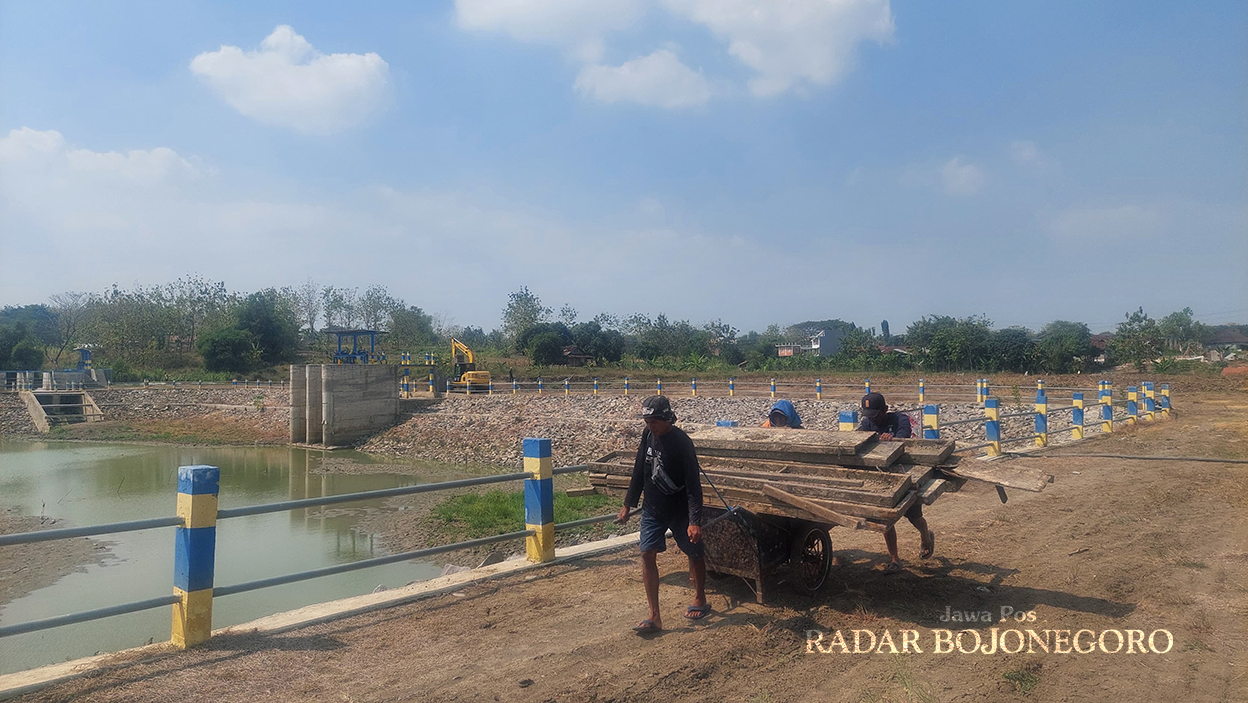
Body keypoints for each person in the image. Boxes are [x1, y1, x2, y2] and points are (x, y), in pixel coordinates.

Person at [615, 395, 708, 632]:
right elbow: (639, 470)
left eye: (654, 422)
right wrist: (628, 504)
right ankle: (654, 616)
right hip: (653, 506)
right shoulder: (647, 436)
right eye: (647, 421)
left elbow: (693, 485)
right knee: (646, 553)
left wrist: (694, 521)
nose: (650, 426)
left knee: (694, 551)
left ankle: (700, 596)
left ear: (667, 419)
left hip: (679, 507)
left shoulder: (682, 442)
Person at [858, 392, 935, 572]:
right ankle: (895, 560)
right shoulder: (867, 424)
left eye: (875, 415)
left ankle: (926, 536)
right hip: (881, 477)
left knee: (915, 517)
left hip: (904, 474)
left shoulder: (900, 420)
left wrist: (890, 440)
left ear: (885, 410)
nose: (872, 420)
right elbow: (860, 439)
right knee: (885, 519)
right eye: (868, 415)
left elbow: (904, 437)